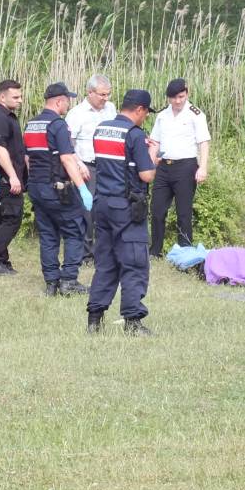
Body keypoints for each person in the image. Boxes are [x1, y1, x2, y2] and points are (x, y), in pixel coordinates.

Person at [86, 89, 157, 335]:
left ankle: (94, 320)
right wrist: (153, 155)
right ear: (139, 109)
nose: (145, 118)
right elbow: (146, 174)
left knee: (105, 263)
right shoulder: (135, 135)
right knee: (134, 263)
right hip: (127, 208)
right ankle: (133, 322)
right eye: (146, 113)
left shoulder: (102, 128)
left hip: (102, 204)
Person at [24, 82, 94, 296]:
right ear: (59, 101)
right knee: (74, 230)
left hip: (36, 187)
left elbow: (28, 158)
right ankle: (69, 280)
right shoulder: (58, 125)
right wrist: (83, 188)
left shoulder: (31, 124)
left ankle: (51, 282)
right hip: (57, 189)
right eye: (67, 100)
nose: (68, 104)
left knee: (48, 234)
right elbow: (65, 158)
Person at [148, 78, 211, 257]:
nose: (177, 101)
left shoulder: (195, 114)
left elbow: (203, 143)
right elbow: (155, 141)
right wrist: (150, 164)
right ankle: (155, 250)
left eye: (181, 97)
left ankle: (185, 251)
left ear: (187, 93)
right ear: (168, 98)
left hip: (186, 166)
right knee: (157, 210)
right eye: (173, 98)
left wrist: (203, 167)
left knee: (183, 212)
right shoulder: (162, 115)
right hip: (163, 167)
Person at [65, 74, 116, 264]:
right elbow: (68, 144)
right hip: (86, 166)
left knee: (105, 208)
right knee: (88, 210)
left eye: (108, 94)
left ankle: (102, 249)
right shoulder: (77, 114)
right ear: (90, 92)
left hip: (107, 166)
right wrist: (78, 165)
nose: (105, 98)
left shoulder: (110, 109)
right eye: (102, 94)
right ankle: (86, 252)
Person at [0, 79, 28, 275]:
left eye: (20, 96)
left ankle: (1, 259)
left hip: (8, 178)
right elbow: (0, 150)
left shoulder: (8, 116)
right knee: (12, 219)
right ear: (2, 97)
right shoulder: (0, 118)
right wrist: (12, 177)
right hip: (5, 179)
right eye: (15, 97)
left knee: (3, 219)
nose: (20, 100)